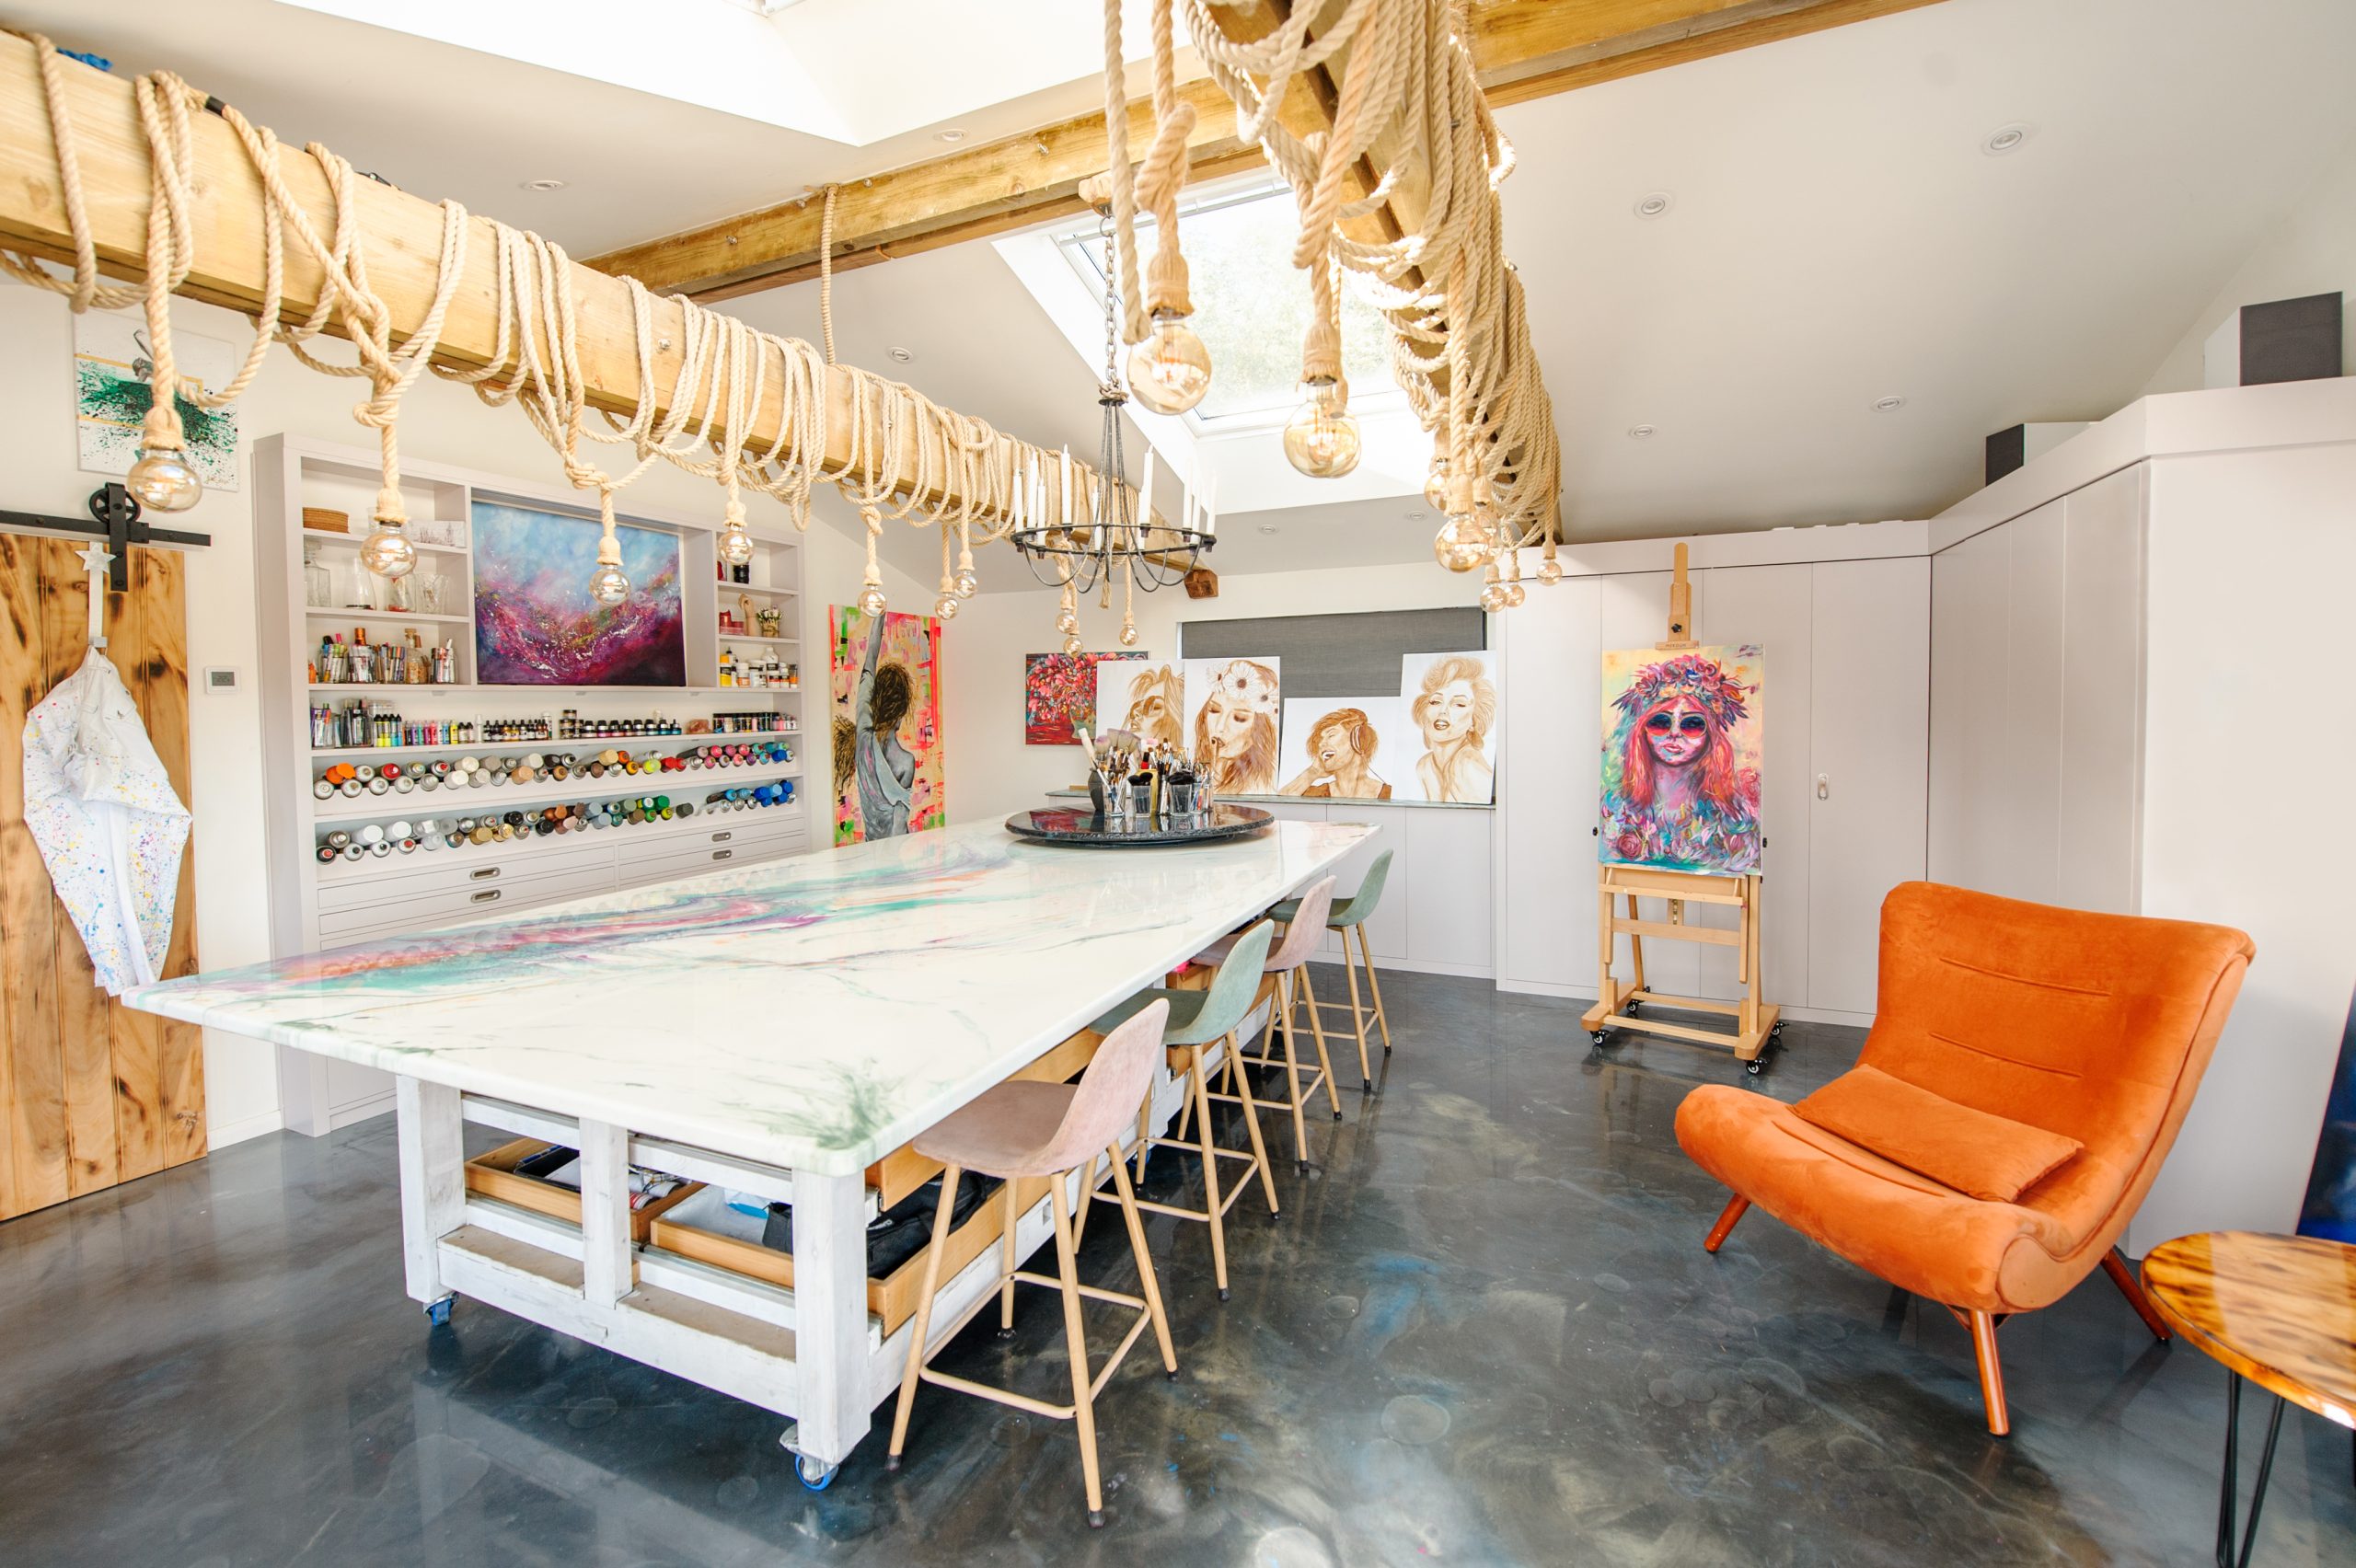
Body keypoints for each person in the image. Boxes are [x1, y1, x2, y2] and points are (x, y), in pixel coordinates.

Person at [1599, 650, 1760, 872]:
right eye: (1660, 722)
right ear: (1642, 730)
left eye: (1692, 724)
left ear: (1711, 736)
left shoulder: (1734, 819)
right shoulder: (1616, 808)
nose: (1674, 734)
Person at [853, 618, 916, 838]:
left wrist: (879, 613)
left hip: (869, 847)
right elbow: (898, 827)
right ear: (901, 713)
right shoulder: (906, 763)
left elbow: (870, 659)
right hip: (892, 852)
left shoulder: (863, 736)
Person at [1411, 655, 1496, 803]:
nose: (1443, 711)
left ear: (1474, 720)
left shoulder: (1468, 767)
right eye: (1436, 701)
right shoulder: (1425, 766)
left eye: (1459, 704)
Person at [1278, 707, 1390, 799]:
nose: (1321, 744)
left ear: (1357, 740)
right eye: (1321, 739)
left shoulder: (1388, 794)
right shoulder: (1318, 793)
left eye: (1331, 735)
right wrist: (1313, 772)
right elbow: (1280, 802)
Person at [1194, 685, 1278, 795]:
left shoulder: (1261, 785)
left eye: (1239, 718)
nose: (1220, 727)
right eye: (1214, 710)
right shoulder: (1198, 771)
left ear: (1260, 729)